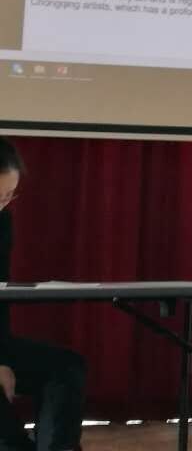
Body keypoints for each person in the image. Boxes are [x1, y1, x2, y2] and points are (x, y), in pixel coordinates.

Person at [0, 138, 86, 451]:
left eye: (8, 196)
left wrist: (2, 358)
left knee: (66, 367)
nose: (1, 205)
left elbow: (1, 295)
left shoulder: (2, 221)